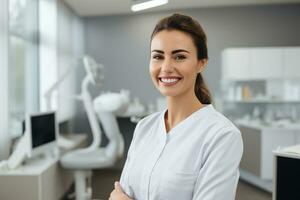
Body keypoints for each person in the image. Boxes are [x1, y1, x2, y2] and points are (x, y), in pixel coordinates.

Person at [109, 13, 243, 200]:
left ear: (201, 64)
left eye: (179, 57)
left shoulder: (221, 136)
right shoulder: (144, 127)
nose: (166, 67)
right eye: (158, 56)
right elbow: (122, 191)